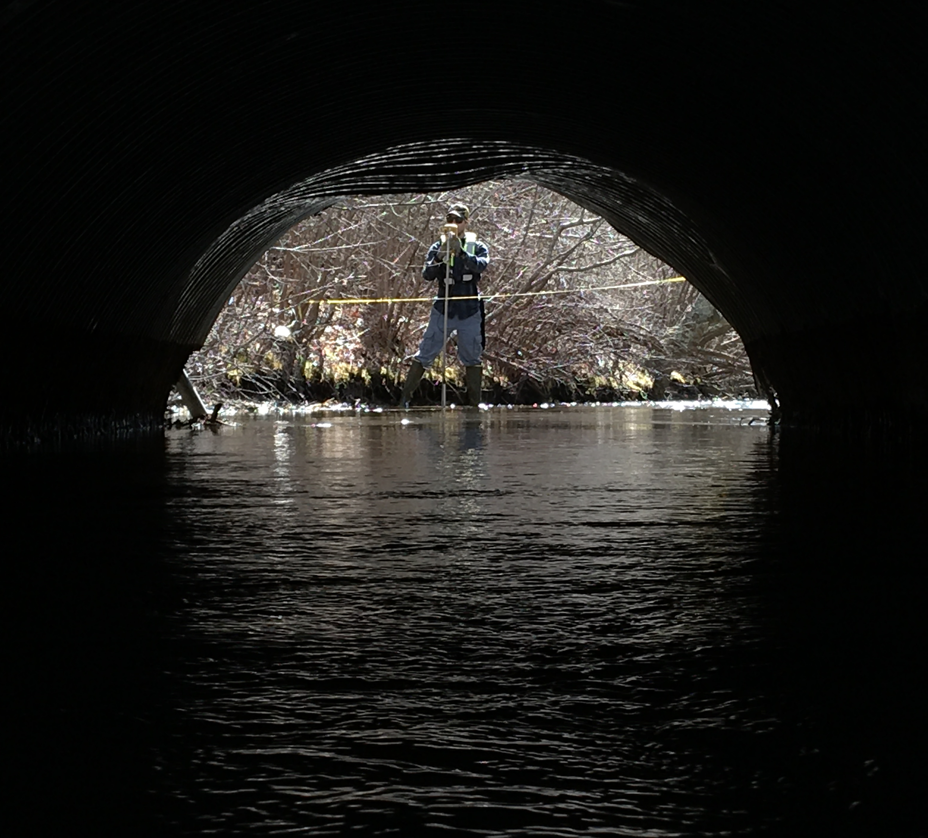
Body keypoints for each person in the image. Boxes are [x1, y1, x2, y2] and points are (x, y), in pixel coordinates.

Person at [399, 203, 490, 407]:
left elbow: (482, 265)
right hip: (443, 309)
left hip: (469, 310)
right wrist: (440, 256)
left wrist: (463, 254)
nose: (454, 224)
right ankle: (403, 401)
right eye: (450, 220)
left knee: (472, 357)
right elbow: (427, 275)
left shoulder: (478, 246)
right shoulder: (437, 246)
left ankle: (475, 406)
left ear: (466, 222)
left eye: (458, 220)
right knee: (425, 353)